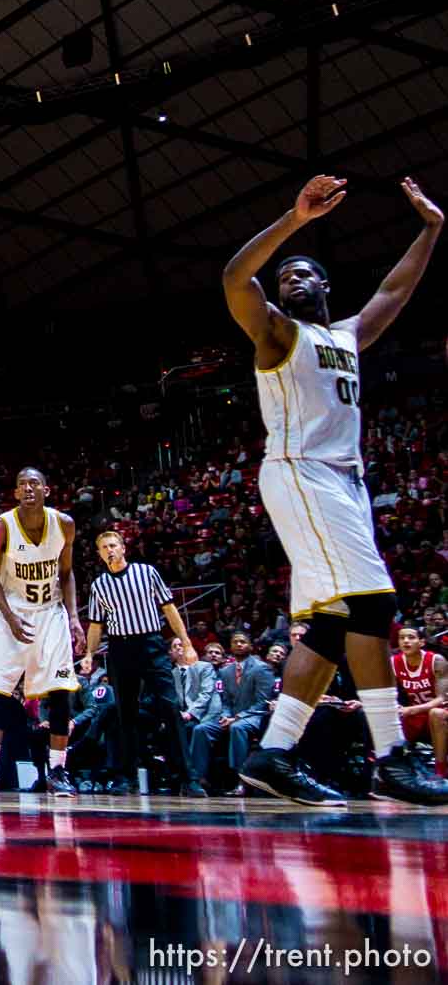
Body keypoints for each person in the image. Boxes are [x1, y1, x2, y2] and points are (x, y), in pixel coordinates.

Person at [221, 173, 448, 804]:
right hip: (302, 472)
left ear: (324, 285)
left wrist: (431, 228)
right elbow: (236, 279)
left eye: (303, 272)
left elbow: (395, 290)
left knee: (329, 626)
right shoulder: (276, 334)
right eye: (286, 274)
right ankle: (391, 757)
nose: (292, 279)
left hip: (343, 485)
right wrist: (294, 221)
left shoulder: (345, 336)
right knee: (374, 607)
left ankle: (272, 754)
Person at [0, 468, 82, 798]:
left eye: (34, 483)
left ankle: (58, 770)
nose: (28, 488)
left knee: (61, 692)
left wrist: (73, 617)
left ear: (46, 488)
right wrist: (10, 616)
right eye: (21, 484)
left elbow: (67, 572)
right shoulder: (2, 525)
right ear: (15, 493)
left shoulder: (64, 524)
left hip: (50, 614)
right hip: (10, 613)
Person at [78, 529, 202, 796]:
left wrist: (187, 641)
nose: (109, 550)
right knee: (126, 715)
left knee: (170, 709)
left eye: (113, 545)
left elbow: (169, 608)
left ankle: (188, 778)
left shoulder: (147, 572)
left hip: (151, 644)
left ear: (123, 548)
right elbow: (96, 625)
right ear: (99, 555)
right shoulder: (99, 585)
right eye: (104, 548)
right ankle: (125, 777)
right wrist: (89, 654)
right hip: (120, 648)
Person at [190, 633, 276, 794]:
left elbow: (262, 703)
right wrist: (226, 715)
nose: (238, 644)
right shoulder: (226, 671)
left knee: (238, 727)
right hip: (231, 716)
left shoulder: (261, 668)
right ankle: (199, 779)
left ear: (250, 646)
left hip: (254, 716)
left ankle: (242, 781)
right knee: (201, 729)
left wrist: (236, 717)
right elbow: (226, 701)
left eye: (243, 642)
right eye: (235, 642)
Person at [393, 625, 447, 776]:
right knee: (387, 716)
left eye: (411, 637)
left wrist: (412, 709)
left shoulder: (436, 660)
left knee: (436, 714)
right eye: (402, 638)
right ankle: (391, 770)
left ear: (421, 642)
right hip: (418, 713)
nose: (405, 641)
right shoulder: (394, 662)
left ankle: (440, 772)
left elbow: (442, 698)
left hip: (442, 710)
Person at [172, 637, 221, 766]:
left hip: (205, 714)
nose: (178, 647)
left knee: (190, 729)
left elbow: (206, 694)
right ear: (170, 653)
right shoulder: (172, 674)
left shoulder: (204, 667)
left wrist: (190, 713)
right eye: (175, 646)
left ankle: (195, 774)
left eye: (181, 644)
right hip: (184, 716)